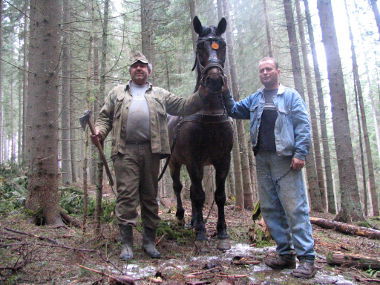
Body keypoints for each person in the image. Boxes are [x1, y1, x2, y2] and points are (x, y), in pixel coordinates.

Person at [93, 52, 206, 260]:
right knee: (127, 196)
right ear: (130, 70)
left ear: (149, 71)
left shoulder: (160, 94)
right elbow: (104, 117)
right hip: (124, 150)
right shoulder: (117, 92)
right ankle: (126, 244)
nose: (139, 68)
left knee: (149, 196)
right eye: (135, 66)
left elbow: (184, 106)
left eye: (143, 66)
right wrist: (99, 132)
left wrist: (203, 93)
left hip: (151, 151)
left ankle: (149, 241)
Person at [223, 57, 317, 279]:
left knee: (295, 208)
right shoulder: (256, 98)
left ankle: (307, 259)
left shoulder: (291, 96)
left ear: (277, 71)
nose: (265, 73)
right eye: (261, 70)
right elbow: (235, 110)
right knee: (270, 208)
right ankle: (285, 254)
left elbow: (303, 126)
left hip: (285, 159)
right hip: (262, 160)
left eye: (268, 69)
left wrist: (300, 153)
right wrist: (225, 91)